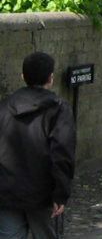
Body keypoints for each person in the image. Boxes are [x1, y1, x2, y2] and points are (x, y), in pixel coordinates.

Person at [0, 51, 76, 239]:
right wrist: (61, 193)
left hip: (7, 191)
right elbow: (62, 153)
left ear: (23, 76)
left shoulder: (4, 107)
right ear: (51, 78)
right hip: (43, 195)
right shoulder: (58, 109)